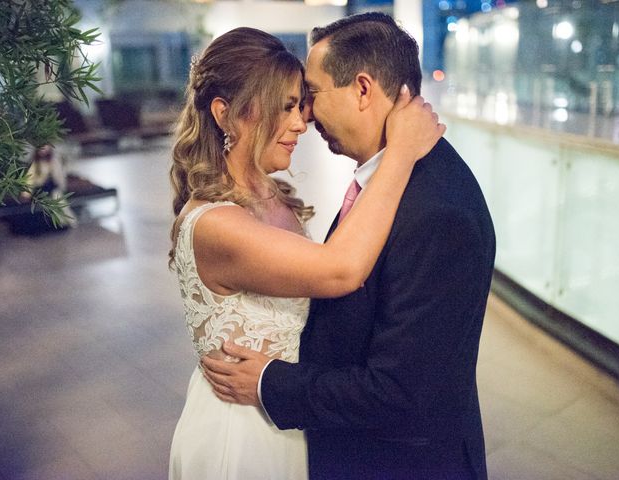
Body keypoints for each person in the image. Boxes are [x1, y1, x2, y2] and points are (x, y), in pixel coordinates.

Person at [202, 13, 496, 480]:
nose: (306, 117)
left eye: (312, 95)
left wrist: (271, 382)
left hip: (399, 464)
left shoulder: (436, 210)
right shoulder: (391, 180)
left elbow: (401, 392)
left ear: (362, 89)